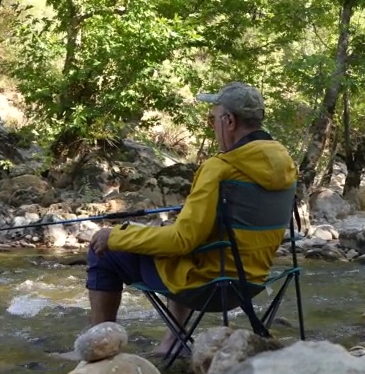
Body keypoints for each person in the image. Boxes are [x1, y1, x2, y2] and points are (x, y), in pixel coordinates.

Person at [84, 82, 297, 358]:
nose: (212, 126)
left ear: (229, 120)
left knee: (104, 252)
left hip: (207, 284)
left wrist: (114, 235)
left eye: (213, 118)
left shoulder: (220, 168)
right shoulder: (287, 166)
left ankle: (99, 348)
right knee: (176, 246)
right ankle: (171, 342)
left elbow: (182, 240)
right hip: (252, 282)